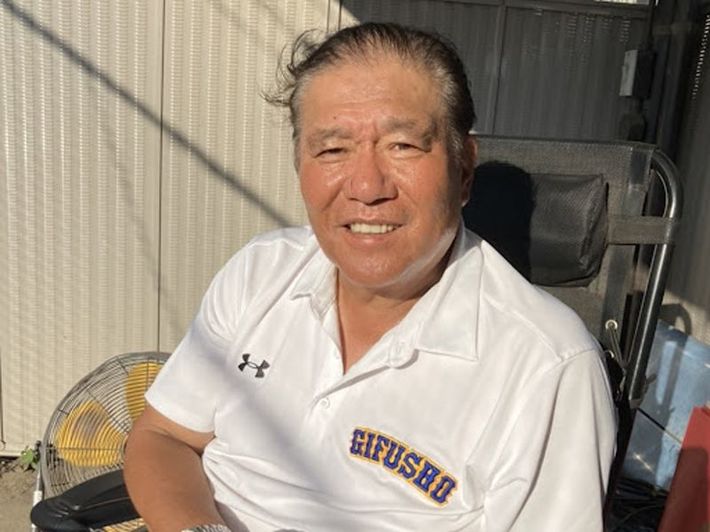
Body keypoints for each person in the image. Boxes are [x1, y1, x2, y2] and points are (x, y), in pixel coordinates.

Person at [124, 22, 616, 532]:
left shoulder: (547, 366)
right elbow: (164, 436)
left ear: (465, 170)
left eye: (402, 146)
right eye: (332, 150)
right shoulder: (260, 272)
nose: (366, 186)